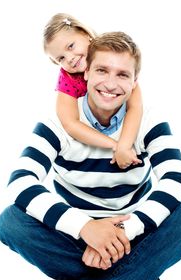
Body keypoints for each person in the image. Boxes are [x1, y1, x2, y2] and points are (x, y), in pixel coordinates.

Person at [0, 31, 181, 280]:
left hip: (133, 237)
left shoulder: (149, 120)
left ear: (135, 82)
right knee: (10, 222)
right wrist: (86, 228)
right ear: (86, 72)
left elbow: (177, 181)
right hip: (76, 241)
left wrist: (124, 231)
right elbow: (20, 181)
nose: (110, 84)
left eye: (123, 74)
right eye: (101, 70)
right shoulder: (57, 122)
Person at [43, 13, 143, 169]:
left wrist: (125, 144)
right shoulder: (67, 78)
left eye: (71, 46)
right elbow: (70, 124)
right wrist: (115, 145)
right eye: (60, 58)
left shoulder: (113, 55)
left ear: (85, 34)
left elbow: (135, 107)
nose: (69, 58)